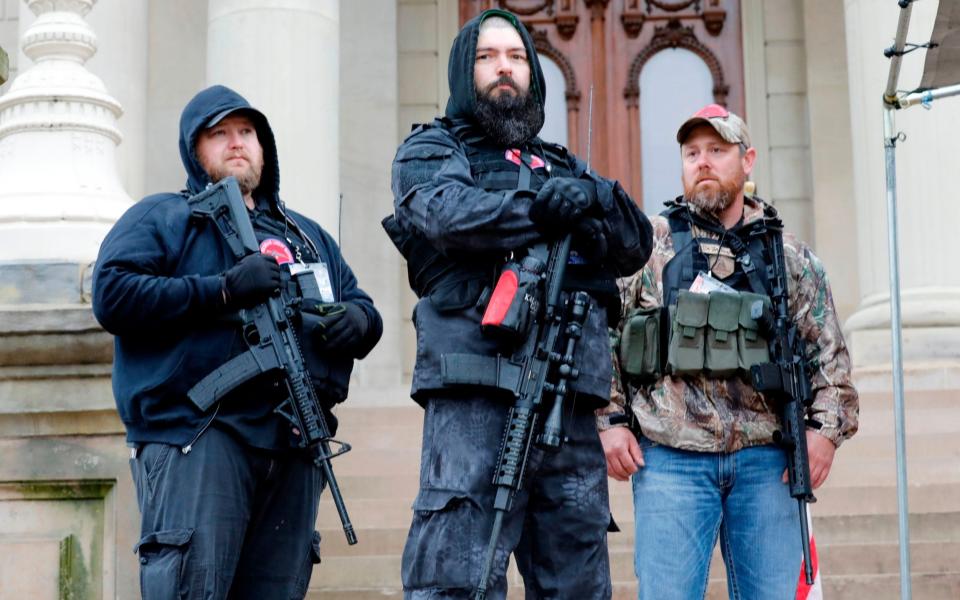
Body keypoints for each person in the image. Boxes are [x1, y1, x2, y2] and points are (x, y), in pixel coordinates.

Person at [385, 9, 652, 599]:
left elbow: (634, 244)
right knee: (457, 575)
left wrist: (592, 194)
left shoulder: (562, 164)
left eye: (515, 57)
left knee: (577, 578)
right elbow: (445, 214)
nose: (504, 69)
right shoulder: (432, 147)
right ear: (464, 70)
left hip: (566, 401)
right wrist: (539, 210)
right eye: (487, 57)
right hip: (477, 389)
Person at [92, 85, 382, 599]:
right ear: (193, 150)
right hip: (201, 436)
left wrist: (360, 323)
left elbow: (361, 302)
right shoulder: (165, 216)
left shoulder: (306, 233)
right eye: (219, 134)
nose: (236, 143)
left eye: (246, 132)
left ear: (263, 146)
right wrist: (221, 290)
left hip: (294, 443)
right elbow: (113, 294)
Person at [599, 104, 859, 600]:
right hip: (670, 460)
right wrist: (608, 423)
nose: (702, 162)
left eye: (717, 151)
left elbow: (830, 360)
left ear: (748, 160)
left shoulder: (789, 257)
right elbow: (603, 338)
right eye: (692, 152)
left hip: (767, 462)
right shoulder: (648, 247)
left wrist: (823, 433)